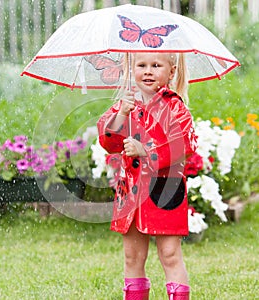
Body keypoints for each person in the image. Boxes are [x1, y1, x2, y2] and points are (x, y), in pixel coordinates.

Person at [97, 52, 197, 300]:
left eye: (156, 65)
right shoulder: (126, 105)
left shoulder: (174, 106)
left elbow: (184, 144)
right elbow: (108, 141)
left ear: (171, 72)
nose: (148, 71)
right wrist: (121, 114)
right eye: (141, 65)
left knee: (170, 254)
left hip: (164, 189)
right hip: (131, 191)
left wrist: (147, 151)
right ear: (131, 69)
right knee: (132, 256)